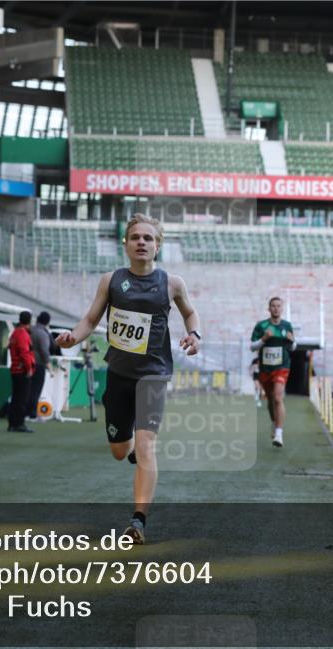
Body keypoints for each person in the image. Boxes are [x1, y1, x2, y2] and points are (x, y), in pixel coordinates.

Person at [56, 213, 200, 545]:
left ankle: (138, 521)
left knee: (147, 445)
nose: (141, 242)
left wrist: (195, 334)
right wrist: (72, 337)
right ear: (126, 243)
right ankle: (130, 446)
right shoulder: (110, 280)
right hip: (119, 375)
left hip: (153, 375)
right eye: (135, 237)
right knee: (120, 451)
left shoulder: (172, 283)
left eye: (148, 238)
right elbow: (90, 320)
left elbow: (190, 312)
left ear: (158, 245)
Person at [251, 297, 294, 448]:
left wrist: (292, 341)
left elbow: (292, 347)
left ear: (282, 309)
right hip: (265, 368)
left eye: (278, 306)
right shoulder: (261, 325)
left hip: (282, 367)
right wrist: (263, 339)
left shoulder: (287, 326)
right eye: (273, 306)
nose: (276, 308)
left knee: (277, 397)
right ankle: (274, 422)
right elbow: (252, 347)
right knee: (270, 400)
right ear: (269, 309)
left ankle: (279, 434)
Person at [8, 310, 35, 433]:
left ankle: (13, 423)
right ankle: (19, 423)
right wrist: (29, 369)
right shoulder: (23, 334)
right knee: (22, 398)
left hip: (15, 370)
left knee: (15, 398)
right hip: (22, 371)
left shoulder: (14, 333)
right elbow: (24, 353)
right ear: (29, 321)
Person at [28, 311, 53, 419]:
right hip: (38, 364)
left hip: (27, 363)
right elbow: (44, 350)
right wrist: (48, 364)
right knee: (36, 389)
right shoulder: (43, 333)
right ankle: (32, 413)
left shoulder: (30, 330)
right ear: (47, 322)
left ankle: (25, 411)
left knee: (27, 389)